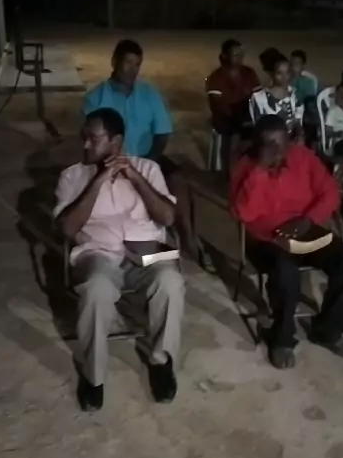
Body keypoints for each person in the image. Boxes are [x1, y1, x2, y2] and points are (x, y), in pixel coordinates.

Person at [54, 108, 184, 411]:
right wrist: (98, 180)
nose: (85, 144)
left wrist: (135, 178)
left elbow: (168, 217)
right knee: (97, 290)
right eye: (84, 137)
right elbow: (67, 229)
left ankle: (161, 362)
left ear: (116, 141)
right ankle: (94, 376)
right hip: (98, 251)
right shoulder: (72, 176)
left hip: (149, 247)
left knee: (171, 281)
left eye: (93, 138)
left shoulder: (148, 168)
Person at [230, 115, 343, 368]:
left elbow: (330, 192)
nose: (277, 151)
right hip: (266, 238)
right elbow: (243, 214)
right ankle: (281, 339)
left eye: (281, 144)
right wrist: (259, 171)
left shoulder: (302, 157)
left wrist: (308, 219)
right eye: (269, 146)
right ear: (257, 145)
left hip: (305, 230)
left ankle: (328, 330)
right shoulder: (246, 167)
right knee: (285, 272)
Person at [83, 39, 197, 259]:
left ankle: (189, 238)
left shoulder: (149, 93)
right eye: (128, 62)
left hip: (148, 156)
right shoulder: (95, 98)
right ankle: (126, 243)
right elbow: (91, 139)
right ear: (114, 61)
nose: (133, 69)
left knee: (179, 181)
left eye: (137, 64)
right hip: (109, 160)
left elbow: (162, 132)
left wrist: (150, 161)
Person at [206, 39, 260, 136]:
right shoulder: (215, 77)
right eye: (235, 54)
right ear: (225, 56)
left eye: (241, 54)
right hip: (227, 119)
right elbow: (216, 106)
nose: (240, 57)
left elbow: (258, 96)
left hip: (246, 114)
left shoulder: (249, 73)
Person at [250, 49, 303, 133]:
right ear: (272, 73)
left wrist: (299, 134)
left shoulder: (295, 94)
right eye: (279, 73)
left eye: (287, 72)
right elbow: (258, 128)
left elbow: (298, 121)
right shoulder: (259, 98)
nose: (284, 77)